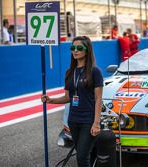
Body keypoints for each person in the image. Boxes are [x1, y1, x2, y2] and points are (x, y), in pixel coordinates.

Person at [41, 36, 103, 167]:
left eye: (79, 48)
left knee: (81, 157)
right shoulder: (69, 72)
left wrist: (96, 123)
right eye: (73, 48)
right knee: (84, 154)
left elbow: (98, 99)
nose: (75, 50)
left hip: (89, 120)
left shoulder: (95, 72)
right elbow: (68, 97)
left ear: (87, 50)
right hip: (73, 120)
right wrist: (50, 100)